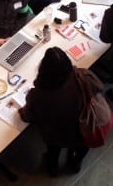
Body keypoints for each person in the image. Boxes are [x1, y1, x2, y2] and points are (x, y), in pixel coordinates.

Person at [19, 47, 102, 177]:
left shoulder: (37, 95)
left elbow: (28, 116)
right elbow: (99, 87)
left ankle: (53, 168)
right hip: (83, 127)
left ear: (43, 71)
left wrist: (21, 112)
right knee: (82, 146)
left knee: (53, 150)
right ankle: (76, 163)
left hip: (56, 134)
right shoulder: (82, 75)